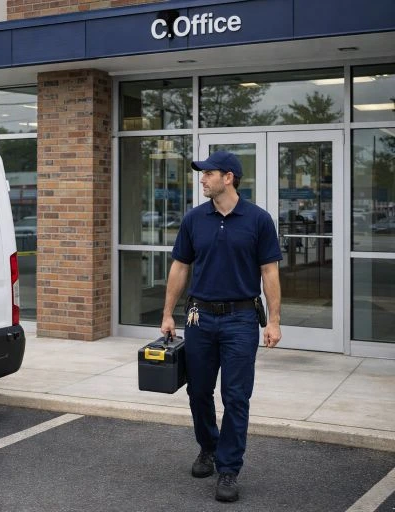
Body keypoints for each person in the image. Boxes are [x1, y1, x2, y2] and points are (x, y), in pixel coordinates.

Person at [160, 151, 283, 503]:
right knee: (198, 391)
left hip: (242, 320)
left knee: (236, 396)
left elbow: (270, 272)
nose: (201, 179)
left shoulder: (258, 220)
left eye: (207, 174)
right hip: (200, 317)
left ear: (228, 177)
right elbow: (180, 267)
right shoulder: (194, 219)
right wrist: (168, 314)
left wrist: (273, 321)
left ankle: (228, 468)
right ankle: (209, 448)